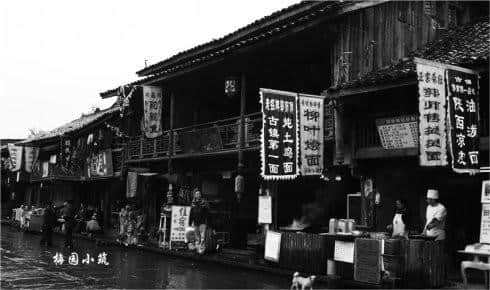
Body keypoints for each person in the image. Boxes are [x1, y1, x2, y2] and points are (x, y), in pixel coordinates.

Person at [189, 189, 209, 254]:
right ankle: (198, 250)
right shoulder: (193, 204)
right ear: (195, 195)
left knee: (203, 237)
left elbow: (207, 214)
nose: (198, 195)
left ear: (200, 195)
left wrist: (208, 222)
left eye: (199, 194)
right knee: (197, 237)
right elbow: (191, 214)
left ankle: (202, 250)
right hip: (195, 222)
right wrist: (190, 222)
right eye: (196, 194)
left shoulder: (204, 203)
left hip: (203, 222)